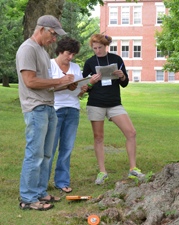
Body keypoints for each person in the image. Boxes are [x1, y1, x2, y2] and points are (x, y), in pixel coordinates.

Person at [16, 15, 74, 211]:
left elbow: (46, 86)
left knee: (47, 154)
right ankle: (28, 198)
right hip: (35, 108)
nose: (55, 39)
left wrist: (65, 84)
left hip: (49, 107)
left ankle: (40, 192)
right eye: (53, 34)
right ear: (42, 29)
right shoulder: (27, 49)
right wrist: (59, 81)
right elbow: (30, 82)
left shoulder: (41, 51)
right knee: (35, 154)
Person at [82, 33, 145, 185]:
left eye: (99, 47)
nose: (97, 50)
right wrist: (90, 82)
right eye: (94, 48)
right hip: (96, 103)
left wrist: (122, 76)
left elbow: (124, 84)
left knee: (131, 132)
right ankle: (102, 172)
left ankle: (133, 169)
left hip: (114, 103)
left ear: (106, 46)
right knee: (98, 138)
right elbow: (84, 88)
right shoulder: (89, 62)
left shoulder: (116, 59)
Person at [48, 36, 91, 193]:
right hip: (55, 109)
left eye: (73, 54)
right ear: (60, 50)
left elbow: (78, 91)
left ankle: (62, 182)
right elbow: (47, 88)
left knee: (67, 148)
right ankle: (43, 182)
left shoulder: (75, 67)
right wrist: (63, 83)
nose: (71, 57)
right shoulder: (49, 65)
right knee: (50, 148)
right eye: (68, 53)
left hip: (73, 109)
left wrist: (82, 89)